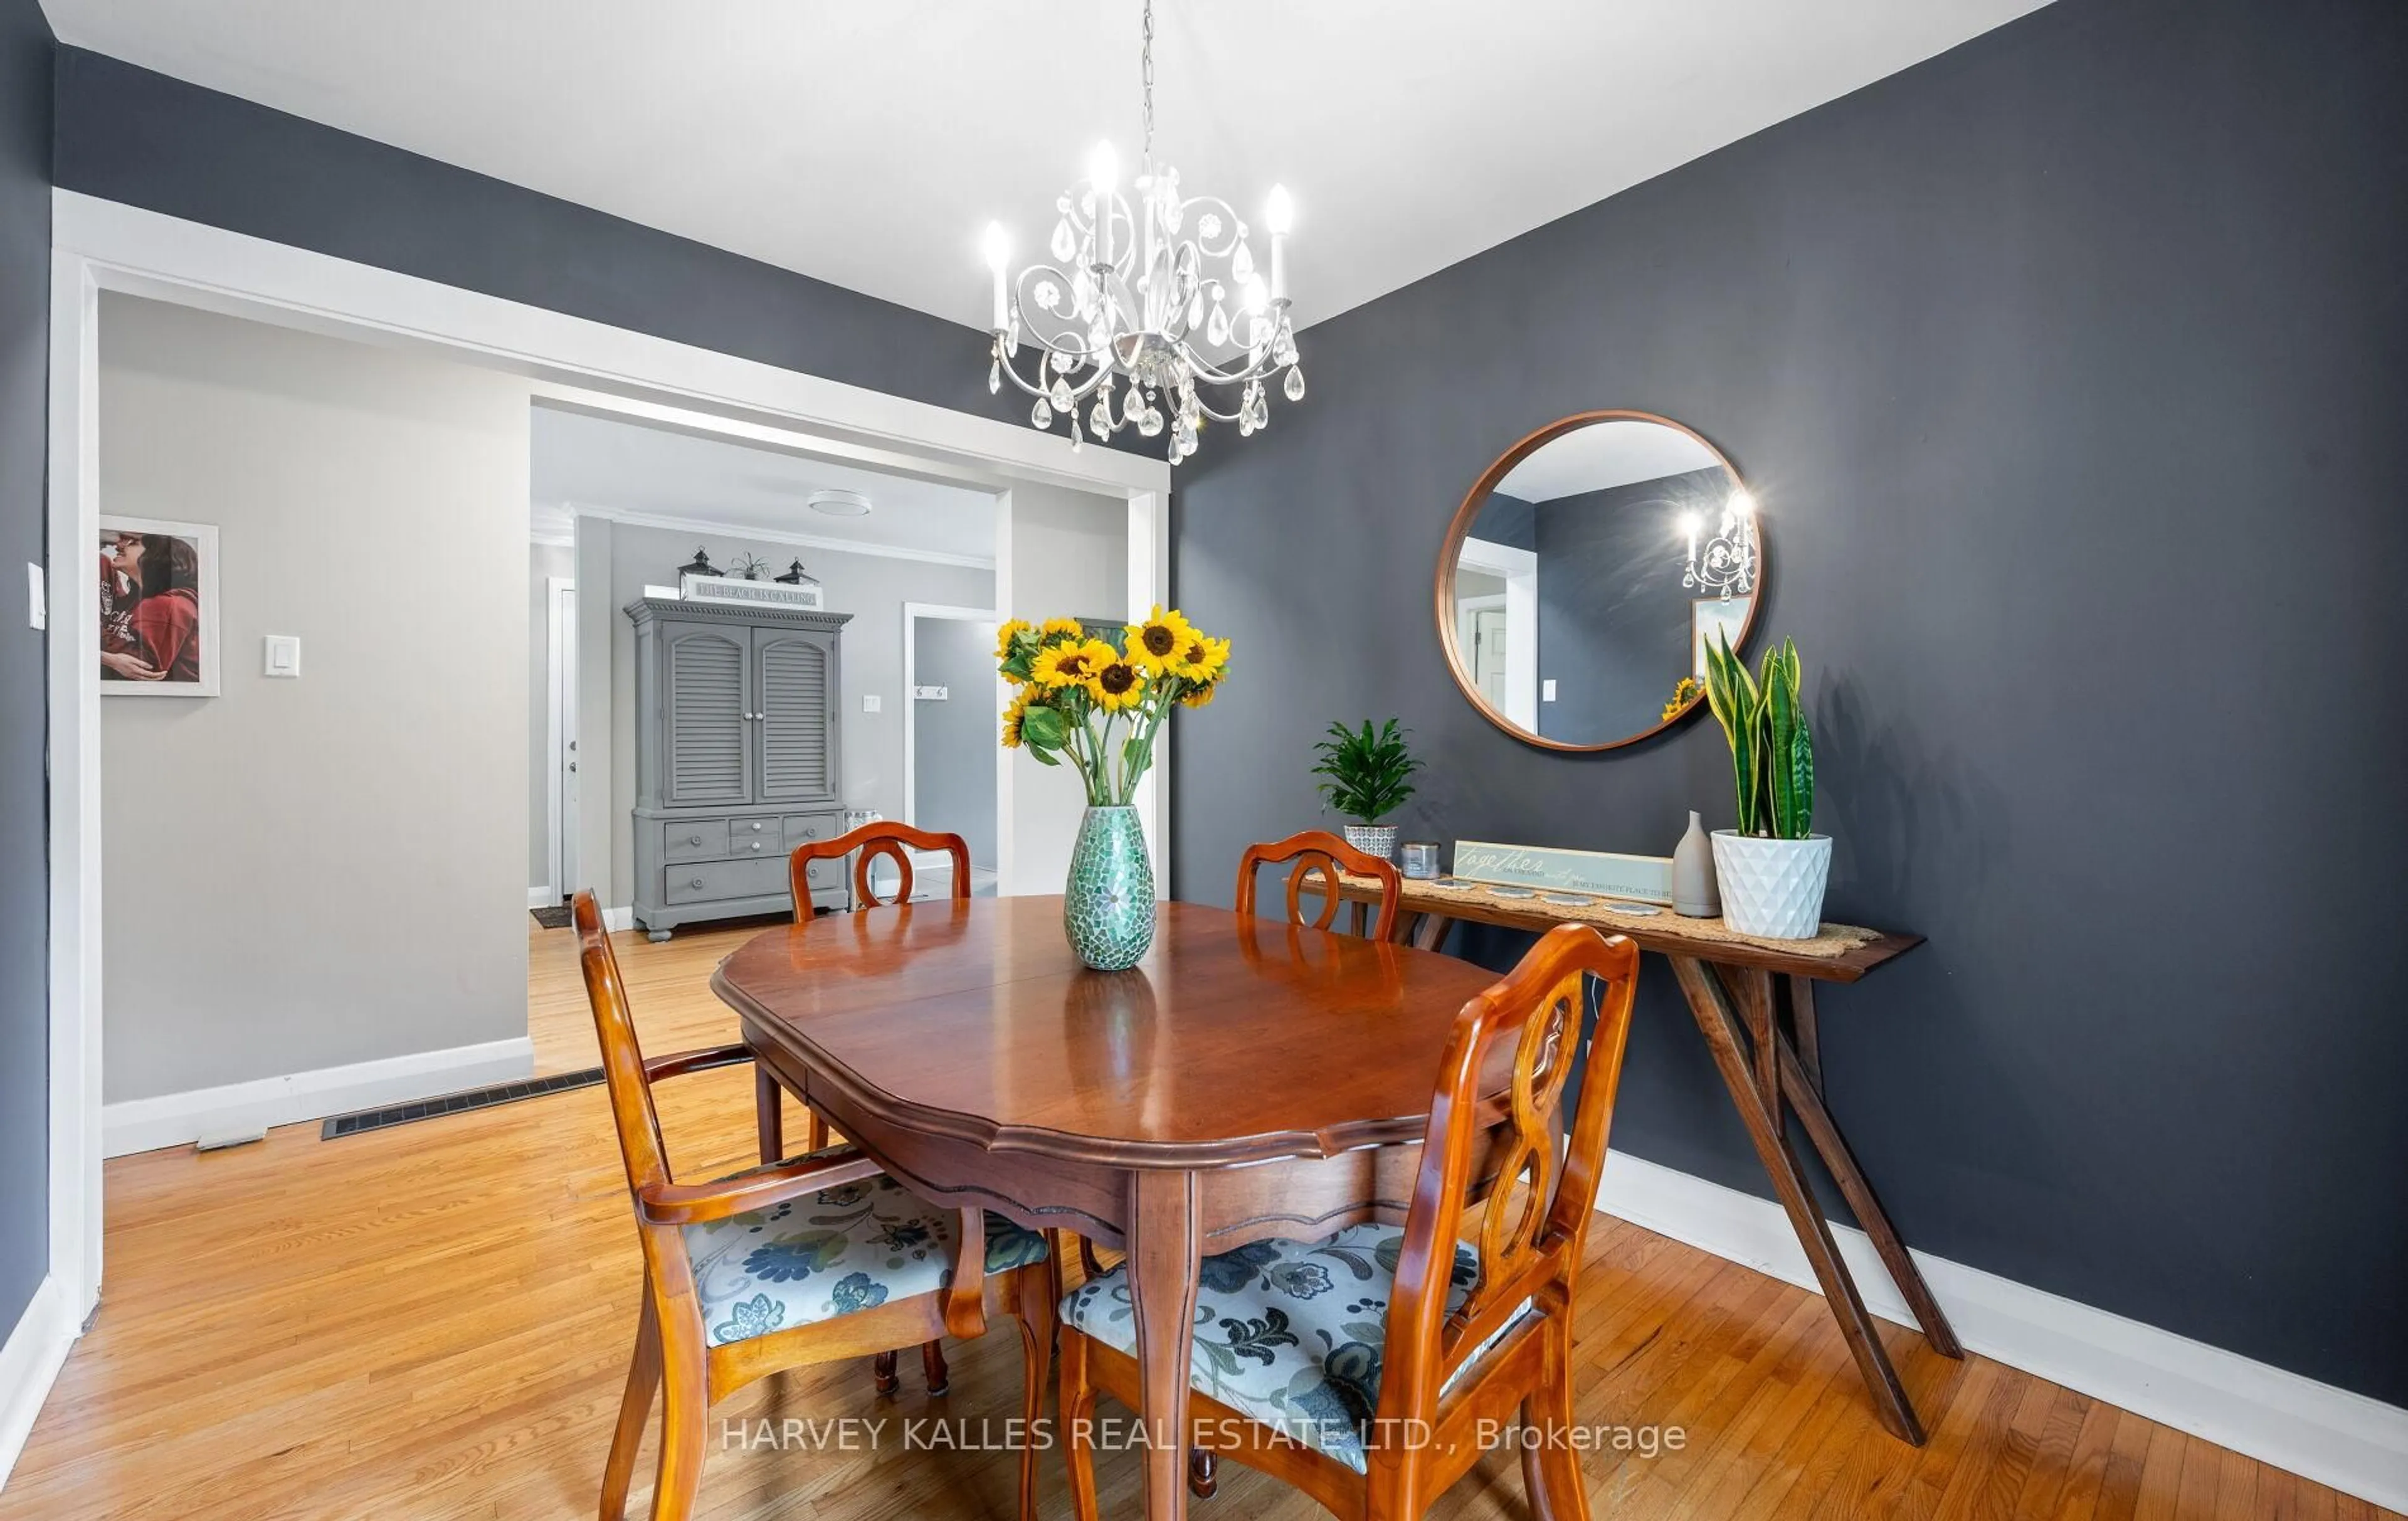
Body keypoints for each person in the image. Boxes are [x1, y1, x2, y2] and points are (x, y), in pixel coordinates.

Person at [102, 532, 202, 684]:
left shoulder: (169, 605)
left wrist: (94, 633)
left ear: (156, 555)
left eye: (134, 543)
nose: (120, 547)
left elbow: (146, 667)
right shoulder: (133, 601)